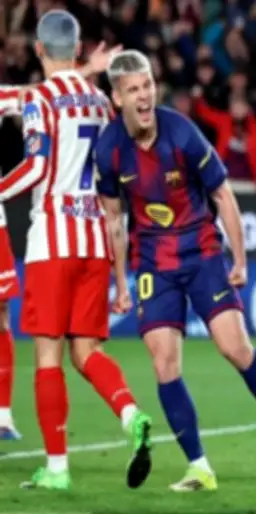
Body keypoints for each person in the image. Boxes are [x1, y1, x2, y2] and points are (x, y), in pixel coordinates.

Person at [95, 50, 256, 492]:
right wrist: (119, 283)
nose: (145, 96)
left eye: (148, 85)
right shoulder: (109, 149)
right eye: (134, 89)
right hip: (153, 261)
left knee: (235, 349)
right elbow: (114, 220)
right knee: (164, 362)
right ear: (117, 99)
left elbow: (223, 196)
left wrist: (240, 259)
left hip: (201, 251)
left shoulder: (181, 132)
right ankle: (199, 467)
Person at [0, 11, 153, 490]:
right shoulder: (101, 102)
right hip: (94, 241)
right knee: (86, 351)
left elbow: (36, 168)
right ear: (79, 47)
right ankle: (130, 414)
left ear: (38, 50)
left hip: (52, 241)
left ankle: (57, 468)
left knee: (48, 356)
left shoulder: (40, 99)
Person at [0, 40, 122, 443]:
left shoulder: (13, 98)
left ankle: (2, 415)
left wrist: (80, 70)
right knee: (75, 351)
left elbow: (38, 95)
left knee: (3, 317)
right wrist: (85, 70)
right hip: (85, 233)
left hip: (42, 230)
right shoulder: (100, 104)